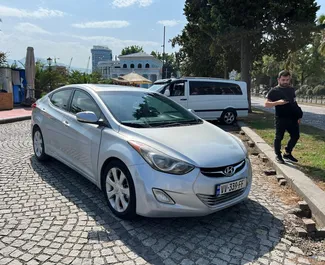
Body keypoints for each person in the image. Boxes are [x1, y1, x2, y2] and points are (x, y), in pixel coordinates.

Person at [264, 70, 303, 164]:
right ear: (278, 79)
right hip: (281, 118)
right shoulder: (274, 91)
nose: (285, 82)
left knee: (295, 136)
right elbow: (266, 104)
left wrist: (298, 116)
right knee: (278, 137)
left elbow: (294, 103)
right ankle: (278, 155)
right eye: (283, 80)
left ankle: (287, 153)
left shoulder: (291, 89)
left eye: (287, 80)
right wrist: (278, 102)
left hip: (293, 117)